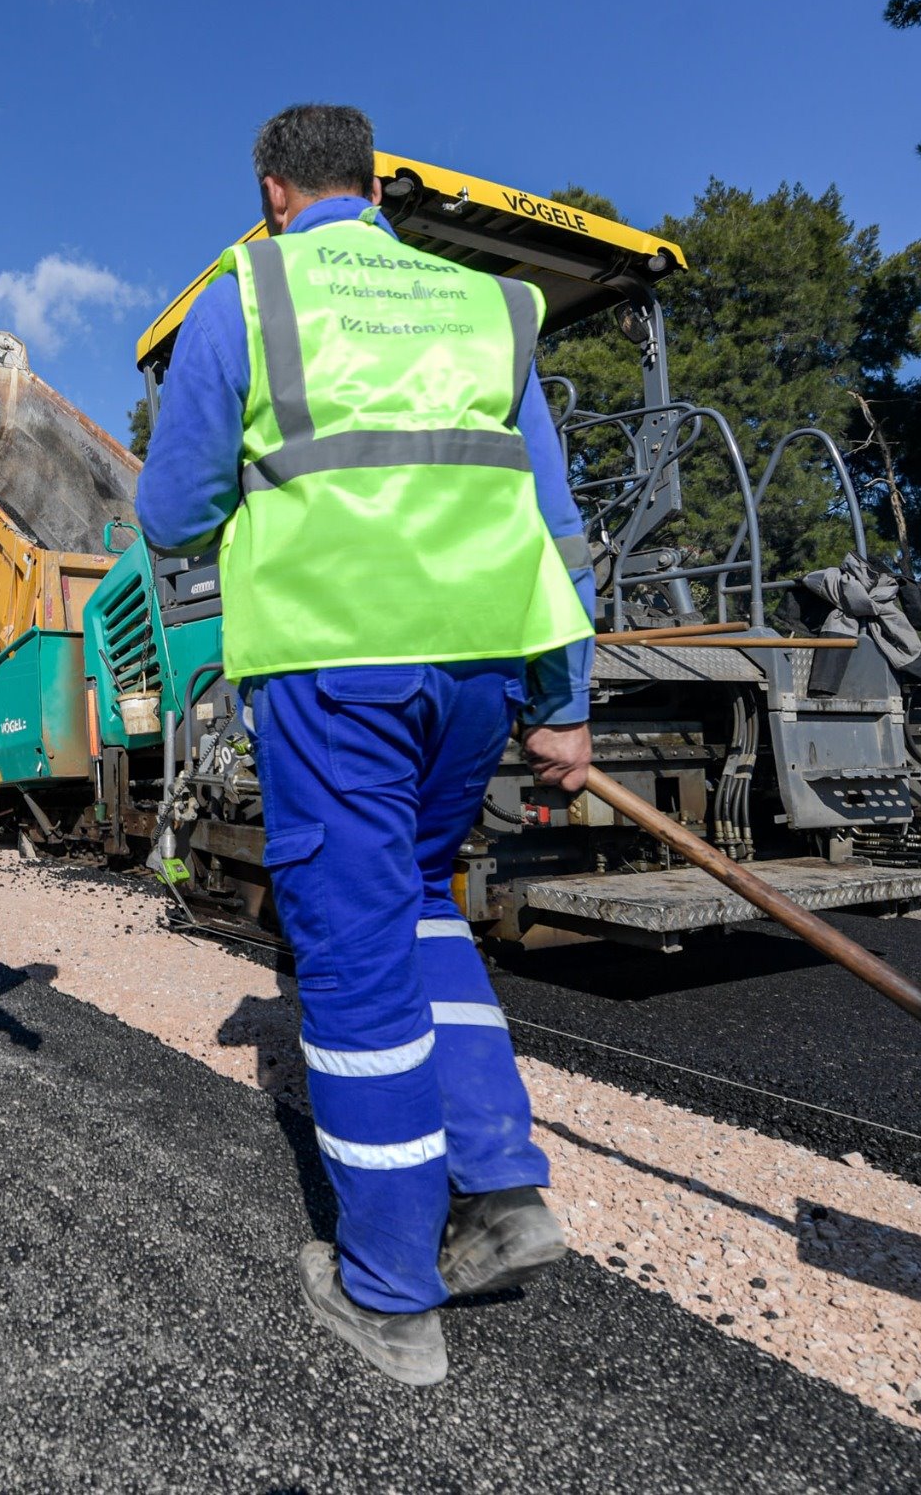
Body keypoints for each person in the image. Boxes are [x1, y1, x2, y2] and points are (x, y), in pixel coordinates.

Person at [134, 105, 596, 1388]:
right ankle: (504, 1192)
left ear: (274, 189)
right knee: (420, 904)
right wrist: (565, 697)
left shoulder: (251, 289)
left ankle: (390, 1289)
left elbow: (171, 508)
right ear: (376, 184)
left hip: (337, 661)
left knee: (346, 959)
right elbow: (553, 524)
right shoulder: (486, 307)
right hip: (479, 667)